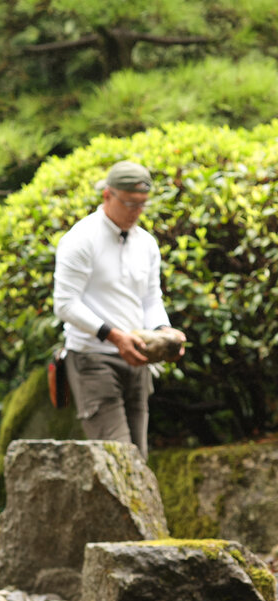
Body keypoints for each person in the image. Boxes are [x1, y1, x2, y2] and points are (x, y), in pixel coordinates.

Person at [53, 160, 186, 458]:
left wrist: (164, 332)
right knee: (118, 458)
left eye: (142, 204)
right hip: (92, 358)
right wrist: (114, 336)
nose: (136, 211)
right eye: (129, 203)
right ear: (107, 196)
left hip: (137, 359)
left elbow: (150, 300)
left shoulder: (147, 244)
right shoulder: (80, 239)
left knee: (138, 458)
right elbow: (65, 304)